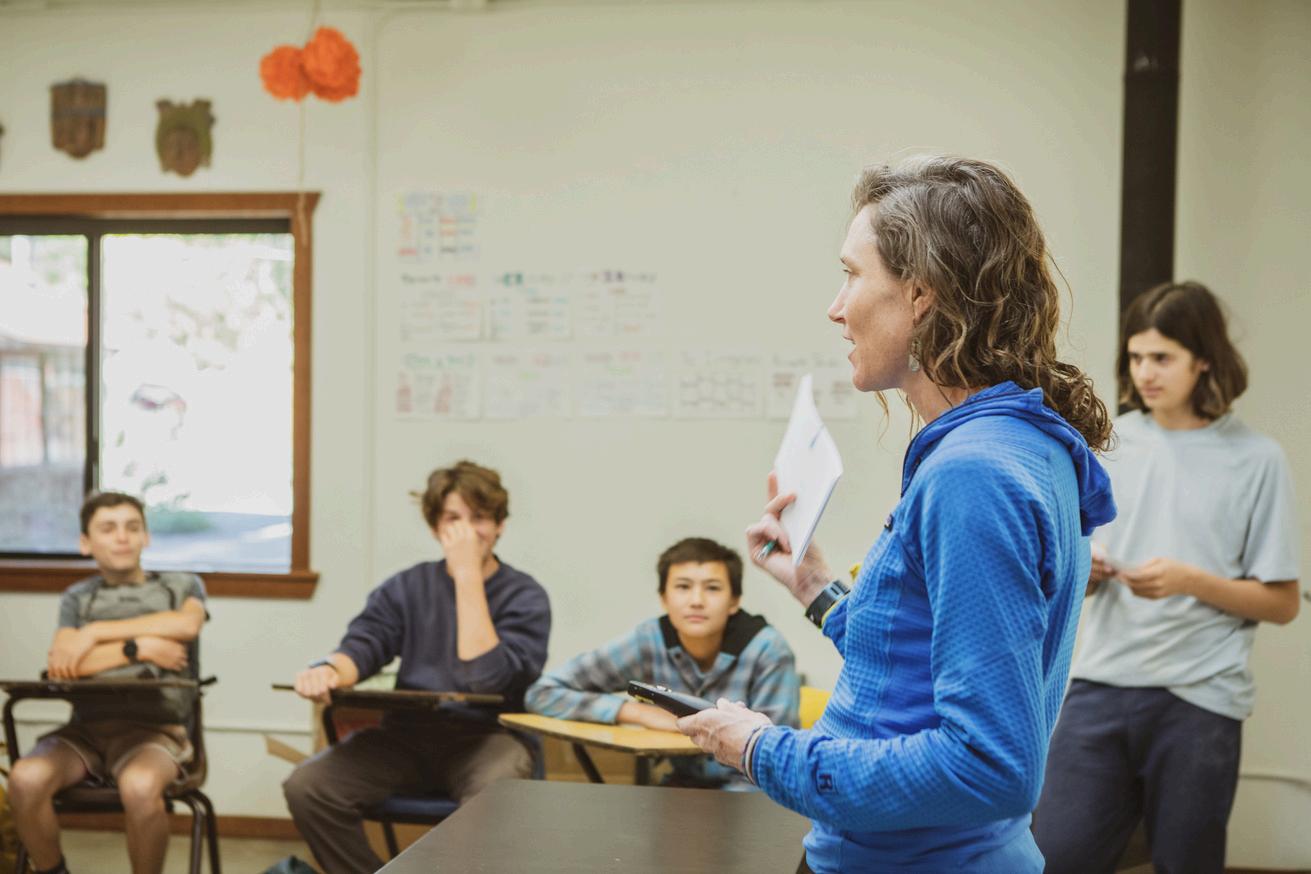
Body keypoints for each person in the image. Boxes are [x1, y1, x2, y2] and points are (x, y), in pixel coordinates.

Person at [676, 155, 1117, 873]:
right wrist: (815, 587)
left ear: (920, 294)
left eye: (852, 274)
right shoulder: (1019, 442)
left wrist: (761, 749)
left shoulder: (973, 473)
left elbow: (988, 766)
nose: (835, 306)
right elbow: (914, 662)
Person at [1032, 281, 1300, 873]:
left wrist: (1189, 581)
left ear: (1203, 359)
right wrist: (1087, 571)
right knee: (1053, 859)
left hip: (1201, 699)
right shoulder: (1110, 444)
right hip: (1100, 685)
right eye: (1135, 357)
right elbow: (1066, 569)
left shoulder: (1257, 460)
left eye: (1162, 358)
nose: (1145, 373)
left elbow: (1283, 603)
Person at [282, 460, 551, 874]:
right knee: (308, 787)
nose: (466, 532)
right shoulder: (407, 586)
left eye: (479, 518)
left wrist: (466, 576)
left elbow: (487, 676)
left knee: (496, 794)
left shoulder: (526, 596)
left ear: (499, 525)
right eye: (453, 519)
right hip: (406, 736)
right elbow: (364, 644)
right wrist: (328, 669)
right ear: (435, 527)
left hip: (487, 738)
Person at [8, 492, 208, 874]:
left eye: (132, 527)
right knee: (25, 778)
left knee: (139, 787)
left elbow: (185, 626)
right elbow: (62, 664)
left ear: (146, 537)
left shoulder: (182, 586)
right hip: (84, 734)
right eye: (108, 528)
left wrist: (94, 634)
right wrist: (140, 648)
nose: (122, 537)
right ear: (85, 543)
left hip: (158, 733)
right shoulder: (78, 597)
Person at [525, 536, 799, 788]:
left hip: (753, 793)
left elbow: (776, 761)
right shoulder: (648, 640)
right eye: (683, 587)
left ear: (734, 601)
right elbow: (542, 693)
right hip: (679, 789)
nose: (696, 601)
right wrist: (636, 713)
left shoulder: (768, 650)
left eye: (713, 588)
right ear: (664, 599)